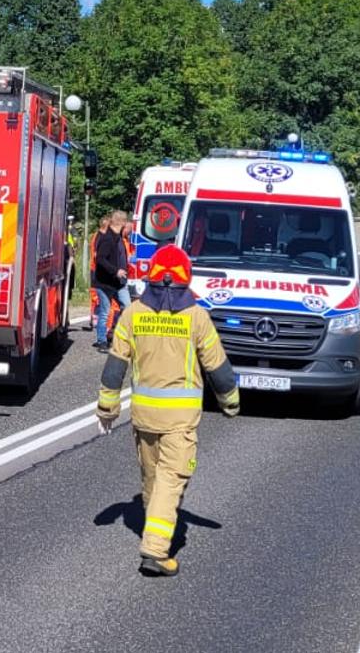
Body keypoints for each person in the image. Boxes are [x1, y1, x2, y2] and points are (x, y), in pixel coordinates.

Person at [97, 244, 240, 577]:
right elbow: (217, 366)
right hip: (179, 421)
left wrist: (107, 406)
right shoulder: (196, 317)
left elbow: (115, 365)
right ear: (185, 278)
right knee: (170, 480)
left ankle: (154, 527)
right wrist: (230, 402)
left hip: (144, 418)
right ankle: (156, 549)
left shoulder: (133, 313)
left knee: (152, 480)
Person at [90, 211, 132, 351]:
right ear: (122, 223)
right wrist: (116, 271)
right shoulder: (107, 238)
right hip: (105, 283)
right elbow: (100, 259)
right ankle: (102, 341)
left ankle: (116, 333)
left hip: (119, 283)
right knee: (105, 312)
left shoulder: (118, 237)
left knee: (127, 308)